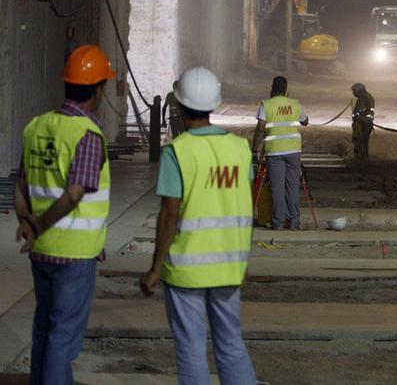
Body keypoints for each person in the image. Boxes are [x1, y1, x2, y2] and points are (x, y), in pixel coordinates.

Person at [140, 66, 256, 384]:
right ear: (214, 105)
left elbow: (169, 215)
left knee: (191, 349)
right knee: (231, 344)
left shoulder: (178, 152)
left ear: (178, 106)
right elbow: (243, 207)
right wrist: (243, 259)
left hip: (187, 269)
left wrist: (154, 269)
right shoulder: (239, 149)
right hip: (229, 265)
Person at [14, 44, 115, 384]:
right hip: (74, 252)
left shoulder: (36, 126)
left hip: (41, 252)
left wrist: (26, 223)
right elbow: (74, 195)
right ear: (98, 89)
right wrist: (38, 225)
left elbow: (21, 183)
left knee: (44, 326)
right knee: (63, 337)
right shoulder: (87, 135)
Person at [251, 76, 309, 230]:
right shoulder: (295, 104)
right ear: (286, 90)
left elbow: (261, 128)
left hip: (275, 151)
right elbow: (305, 121)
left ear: (271, 89)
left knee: (277, 187)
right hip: (294, 151)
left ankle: (278, 222)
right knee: (292, 186)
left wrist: (254, 148)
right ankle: (294, 221)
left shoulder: (266, 104)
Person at [351, 82, 375, 161]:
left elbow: (368, 110)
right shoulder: (365, 97)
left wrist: (359, 117)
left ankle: (363, 157)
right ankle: (362, 156)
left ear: (359, 91)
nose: (354, 93)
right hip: (363, 122)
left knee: (363, 141)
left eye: (354, 91)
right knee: (361, 141)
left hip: (364, 123)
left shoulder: (366, 98)